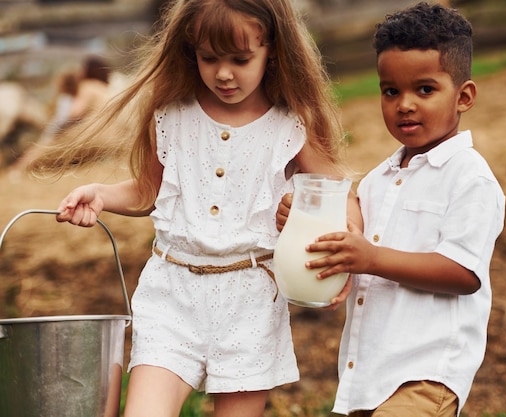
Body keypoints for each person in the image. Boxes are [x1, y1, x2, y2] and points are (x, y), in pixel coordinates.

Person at [33, 0, 360, 416]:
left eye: (240, 59)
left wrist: (348, 243)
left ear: (272, 50)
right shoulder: (170, 114)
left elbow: (339, 195)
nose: (223, 73)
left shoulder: (293, 124)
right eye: (209, 58)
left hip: (251, 299)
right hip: (172, 293)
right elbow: (149, 190)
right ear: (191, 51)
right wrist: (101, 194)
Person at [277, 2, 505, 416]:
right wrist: (303, 225)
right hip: (368, 372)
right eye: (390, 91)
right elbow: (353, 247)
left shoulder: (469, 178)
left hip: (426, 374)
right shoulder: (379, 181)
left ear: (464, 96)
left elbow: (464, 273)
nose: (404, 105)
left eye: (425, 89)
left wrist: (373, 258)